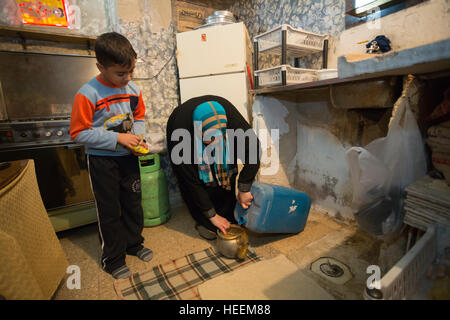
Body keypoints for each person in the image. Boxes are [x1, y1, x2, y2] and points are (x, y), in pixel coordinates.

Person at [69, 32, 153, 279]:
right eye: (120, 73)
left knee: (133, 203)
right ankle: (112, 259)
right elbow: (78, 133)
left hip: (128, 156)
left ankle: (134, 244)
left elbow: (138, 116)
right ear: (100, 67)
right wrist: (118, 138)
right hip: (101, 160)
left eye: (131, 72)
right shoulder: (87, 94)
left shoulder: (133, 89)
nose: (127, 78)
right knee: (109, 209)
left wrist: (138, 138)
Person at [167, 95, 260, 240]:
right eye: (209, 140)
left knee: (225, 164)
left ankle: (227, 213)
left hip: (215, 126)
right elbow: (190, 181)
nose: (213, 145)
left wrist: (244, 188)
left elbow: (253, 149)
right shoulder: (181, 134)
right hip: (182, 125)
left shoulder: (232, 123)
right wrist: (212, 216)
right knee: (197, 179)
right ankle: (204, 220)